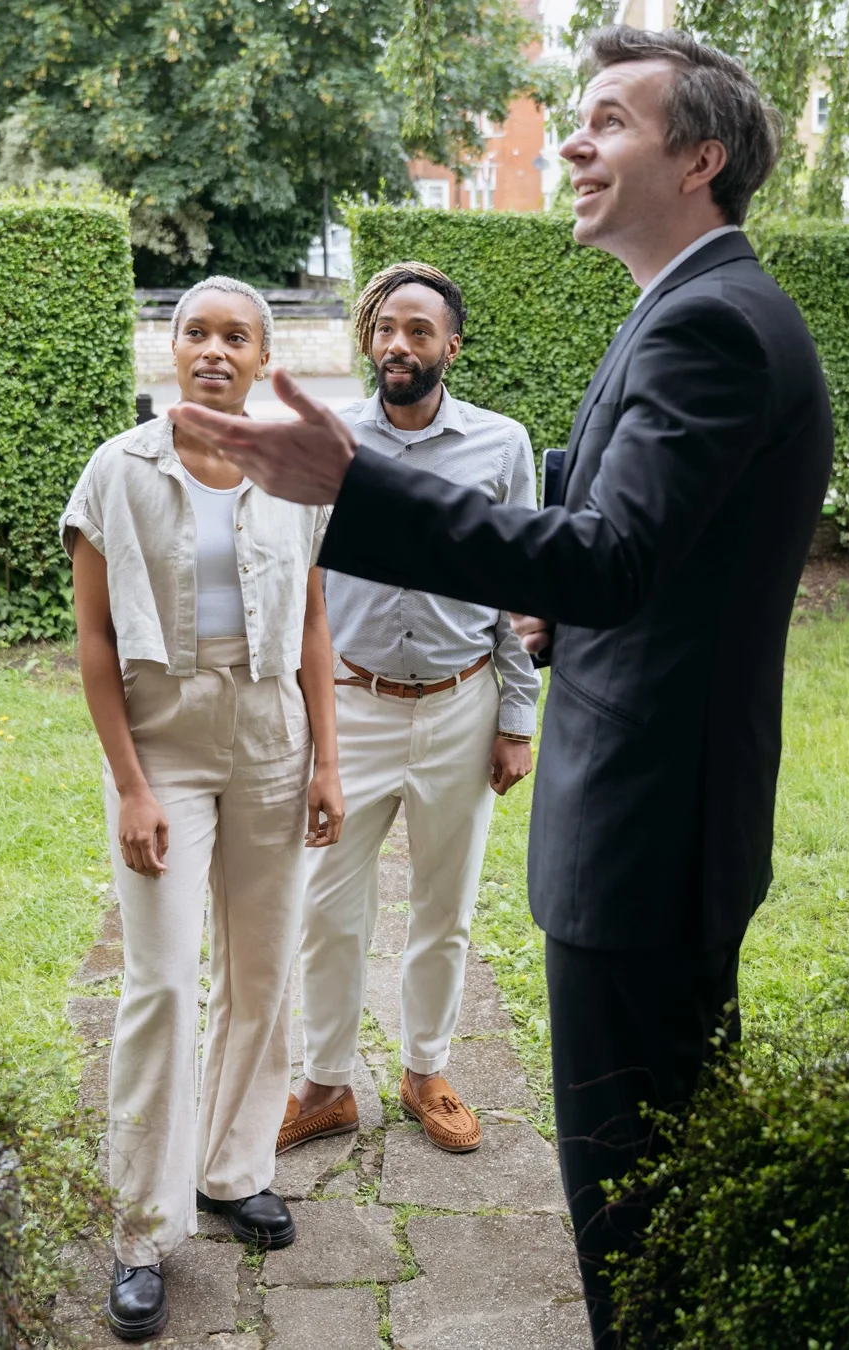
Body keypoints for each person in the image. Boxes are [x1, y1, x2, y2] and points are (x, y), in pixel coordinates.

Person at [169, 28, 831, 1343]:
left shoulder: (710, 323)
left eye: (609, 120)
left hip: (652, 827)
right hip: (660, 814)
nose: (574, 143)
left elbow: (614, 556)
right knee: (653, 1175)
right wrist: (564, 609)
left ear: (698, 160)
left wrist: (351, 486)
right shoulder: (688, 307)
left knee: (637, 1192)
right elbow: (644, 555)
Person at [60, 276, 347, 1342]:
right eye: (196, 332)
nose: (214, 350)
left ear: (265, 358)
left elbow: (313, 621)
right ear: (171, 349)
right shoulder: (118, 470)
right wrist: (132, 785)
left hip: (272, 733)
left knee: (262, 971)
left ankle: (233, 1171)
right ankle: (140, 1229)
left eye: (236, 336)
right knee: (163, 981)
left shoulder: (293, 474)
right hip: (165, 741)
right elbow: (94, 640)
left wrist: (326, 763)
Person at [279, 262, 540, 1161]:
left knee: (445, 907)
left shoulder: (501, 445)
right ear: (369, 338)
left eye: (419, 331)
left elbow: (520, 582)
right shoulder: (330, 441)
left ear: (450, 348)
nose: (399, 344)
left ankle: (426, 1071)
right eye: (387, 328)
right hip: (352, 707)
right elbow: (298, 582)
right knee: (328, 907)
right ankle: (324, 1083)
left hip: (462, 706)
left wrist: (516, 717)